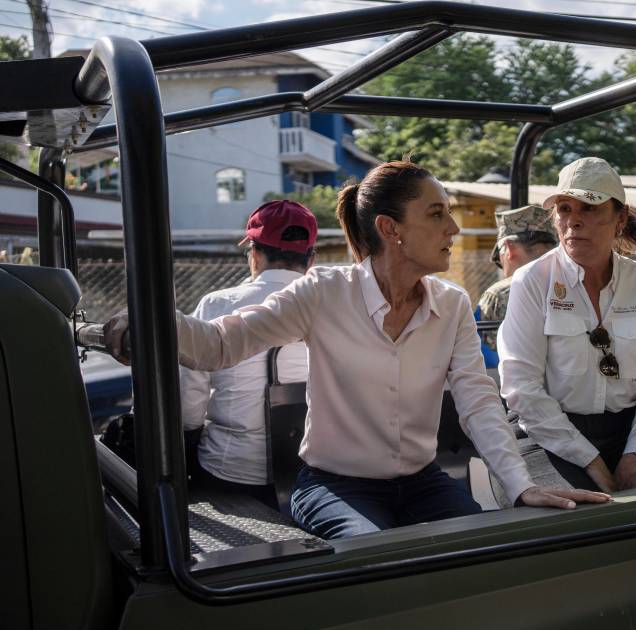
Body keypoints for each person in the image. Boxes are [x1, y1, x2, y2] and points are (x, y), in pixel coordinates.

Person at [106, 160, 610, 540]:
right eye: (437, 215)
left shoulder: (452, 305)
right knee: (370, 563)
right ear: (390, 229)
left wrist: (520, 485)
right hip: (333, 486)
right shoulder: (324, 291)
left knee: (480, 555)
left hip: (422, 482)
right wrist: (146, 323)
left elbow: (479, 401)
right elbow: (219, 344)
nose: (453, 230)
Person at [498, 157, 636, 493]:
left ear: (620, 218)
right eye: (564, 209)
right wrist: (591, 461)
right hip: (547, 433)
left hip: (627, 430)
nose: (573, 221)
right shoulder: (532, 281)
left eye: (588, 208)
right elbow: (522, 388)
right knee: (569, 517)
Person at [180, 200, 316, 509]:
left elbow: (190, 401)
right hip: (311, 476)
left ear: (254, 254)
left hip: (227, 471)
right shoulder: (330, 306)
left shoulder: (216, 304)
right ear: (311, 259)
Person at [478, 205, 558, 352]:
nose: (501, 263)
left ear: (509, 248)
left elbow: (486, 356)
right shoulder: (575, 282)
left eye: (499, 255)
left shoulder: (498, 295)